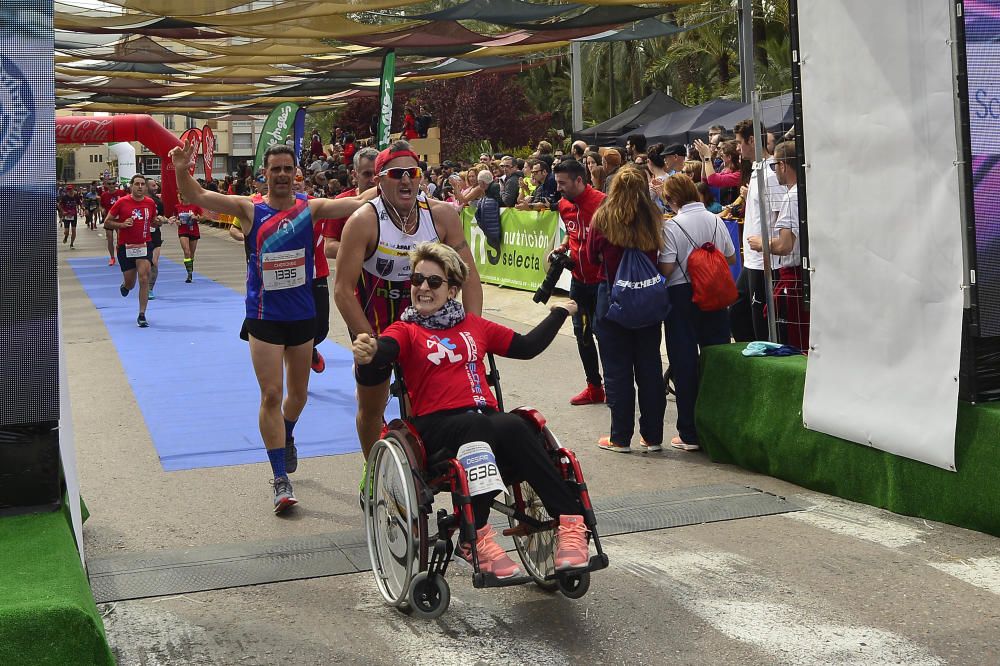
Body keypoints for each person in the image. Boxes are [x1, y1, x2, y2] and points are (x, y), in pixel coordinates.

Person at [353, 242, 590, 577]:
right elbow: (385, 350)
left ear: (452, 290)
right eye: (417, 280)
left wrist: (559, 313)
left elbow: (526, 347)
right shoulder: (405, 329)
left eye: (433, 282)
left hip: (483, 420)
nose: (422, 287)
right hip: (435, 428)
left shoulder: (474, 326)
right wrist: (371, 352)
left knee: (518, 425)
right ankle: (473, 536)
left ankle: (570, 522)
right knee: (479, 427)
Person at [170, 140, 375, 514]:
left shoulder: (310, 209)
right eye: (275, 169)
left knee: (296, 397)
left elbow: (361, 201)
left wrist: (399, 175)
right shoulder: (249, 209)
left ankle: (288, 432)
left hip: (302, 317)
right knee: (270, 394)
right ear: (264, 173)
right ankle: (280, 478)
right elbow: (195, 194)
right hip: (263, 318)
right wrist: (183, 168)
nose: (281, 174)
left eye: (287, 168)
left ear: (295, 173)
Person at [334, 140, 483, 464]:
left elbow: (469, 275)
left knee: (427, 400)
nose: (405, 180)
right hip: (375, 319)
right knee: (372, 406)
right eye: (396, 174)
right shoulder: (363, 221)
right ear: (379, 180)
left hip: (427, 317)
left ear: (420, 177)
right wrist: (369, 341)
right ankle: (373, 469)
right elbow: (343, 290)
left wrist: (474, 326)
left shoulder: (441, 215)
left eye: (412, 173)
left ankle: (426, 465)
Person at [586, 166, 667, 453]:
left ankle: (620, 437)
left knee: (617, 371)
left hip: (612, 297)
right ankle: (653, 436)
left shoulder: (603, 218)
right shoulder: (653, 217)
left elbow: (589, 258)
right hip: (647, 296)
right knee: (650, 368)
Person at [658, 174, 737, 451]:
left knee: (684, 362)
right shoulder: (716, 220)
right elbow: (730, 257)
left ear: (671, 199)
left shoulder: (672, 226)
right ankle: (717, 427)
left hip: (682, 295)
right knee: (715, 358)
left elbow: (666, 268)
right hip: (714, 293)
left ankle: (689, 432)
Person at [553, 159, 607, 406]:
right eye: (557, 183)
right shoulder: (563, 205)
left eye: (563, 183)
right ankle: (594, 387)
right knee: (582, 334)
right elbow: (571, 231)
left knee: (604, 333)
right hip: (578, 282)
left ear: (579, 180)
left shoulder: (602, 202)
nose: (559, 188)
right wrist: (563, 245)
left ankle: (615, 386)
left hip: (602, 282)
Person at [747, 140, 807, 349]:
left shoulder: (791, 198)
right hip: (805, 274)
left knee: (797, 342)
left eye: (774, 166)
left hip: (794, 277)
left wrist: (761, 243)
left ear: (782, 165)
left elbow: (785, 245)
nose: (774, 171)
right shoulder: (806, 190)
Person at [730, 119, 784, 342]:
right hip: (753, 259)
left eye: (739, 142)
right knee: (737, 312)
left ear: (752, 140)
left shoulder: (770, 175)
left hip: (765, 261)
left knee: (759, 323)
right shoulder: (757, 171)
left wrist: (768, 243)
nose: (737, 148)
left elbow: (783, 214)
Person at [104, 174, 158, 328]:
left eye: (142, 184)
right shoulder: (122, 202)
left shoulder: (150, 203)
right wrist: (122, 225)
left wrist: (160, 221)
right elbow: (107, 222)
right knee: (131, 283)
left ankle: (142, 314)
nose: (140, 187)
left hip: (144, 244)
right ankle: (125, 286)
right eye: (137, 184)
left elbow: (153, 221)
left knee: (144, 278)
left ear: (145, 187)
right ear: (131, 186)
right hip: (126, 247)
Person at [145, 179, 170, 300]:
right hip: (141, 237)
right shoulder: (137, 201)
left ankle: (150, 289)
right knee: (142, 265)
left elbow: (163, 217)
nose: (156, 187)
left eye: (156, 185)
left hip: (155, 236)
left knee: (154, 262)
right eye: (153, 185)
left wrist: (164, 220)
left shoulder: (159, 202)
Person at [173, 191, 203, 283]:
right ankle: (189, 273)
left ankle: (190, 269)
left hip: (194, 231)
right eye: (184, 194)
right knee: (186, 251)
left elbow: (203, 217)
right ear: (181, 196)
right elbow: (175, 218)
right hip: (183, 231)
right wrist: (176, 221)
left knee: (191, 254)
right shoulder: (177, 207)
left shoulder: (195, 206)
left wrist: (196, 217)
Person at [59, 184, 81, 248]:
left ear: (73, 189)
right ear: (67, 191)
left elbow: (79, 203)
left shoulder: (76, 196)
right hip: (67, 215)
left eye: (71, 189)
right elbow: (59, 205)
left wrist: (83, 209)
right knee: (66, 231)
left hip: (73, 215)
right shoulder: (64, 197)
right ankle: (66, 237)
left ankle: (71, 244)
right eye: (68, 190)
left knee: (74, 230)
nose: (70, 191)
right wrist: (63, 211)